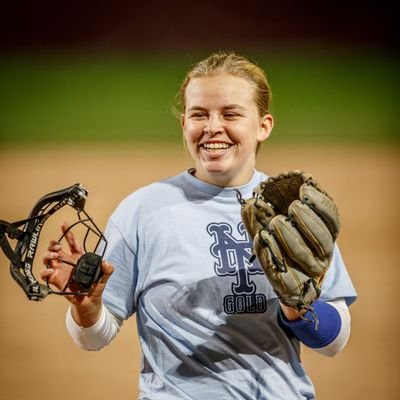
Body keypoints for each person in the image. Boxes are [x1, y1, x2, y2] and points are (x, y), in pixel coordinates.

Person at [41, 51, 357, 399]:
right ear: (184, 124)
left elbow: (334, 342)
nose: (212, 127)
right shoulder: (143, 211)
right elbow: (94, 337)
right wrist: (85, 308)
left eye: (231, 114)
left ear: (263, 125)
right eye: (199, 115)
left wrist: (297, 307)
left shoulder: (292, 210)